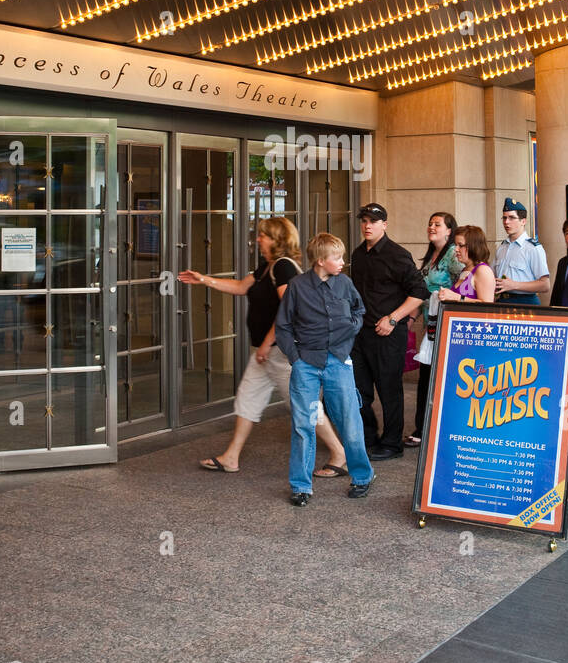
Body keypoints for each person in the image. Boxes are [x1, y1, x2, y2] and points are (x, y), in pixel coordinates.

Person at [179, 216, 347, 475]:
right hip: (266, 353)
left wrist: (267, 344)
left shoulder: (283, 268)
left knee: (305, 404)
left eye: (264, 235)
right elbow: (239, 287)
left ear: (277, 239)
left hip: (281, 354)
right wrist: (203, 279)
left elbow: (288, 310)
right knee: (248, 399)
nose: (258, 239)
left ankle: (339, 453)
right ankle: (231, 457)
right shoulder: (267, 267)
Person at [275, 233, 374, 506]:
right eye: (337, 257)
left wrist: (350, 330)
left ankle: (362, 477)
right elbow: (283, 326)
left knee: (350, 422)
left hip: (339, 362)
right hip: (306, 365)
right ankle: (300, 486)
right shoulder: (296, 287)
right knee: (303, 425)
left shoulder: (345, 284)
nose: (342, 262)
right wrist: (296, 358)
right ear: (320, 260)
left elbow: (359, 309)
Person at [350, 202, 429, 460]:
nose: (367, 225)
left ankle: (392, 443)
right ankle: (369, 436)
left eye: (373, 221)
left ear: (384, 224)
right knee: (359, 389)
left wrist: (393, 319)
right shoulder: (358, 254)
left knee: (389, 390)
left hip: (387, 333)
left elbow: (419, 292)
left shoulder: (398, 255)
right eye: (364, 221)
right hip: (360, 334)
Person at [403, 213, 462, 448]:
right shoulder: (431, 255)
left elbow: (463, 284)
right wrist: (410, 317)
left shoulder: (452, 255)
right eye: (430, 223)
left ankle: (436, 428)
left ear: (449, 231)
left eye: (437, 224)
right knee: (426, 378)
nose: (431, 227)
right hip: (429, 323)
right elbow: (422, 291)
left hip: (446, 325)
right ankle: (423, 426)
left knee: (440, 378)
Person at [493, 198, 550, 304]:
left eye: (512, 218)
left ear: (523, 221)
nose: (506, 222)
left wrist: (514, 285)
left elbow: (545, 285)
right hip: (501, 301)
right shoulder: (502, 247)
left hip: (524, 302)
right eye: (504, 218)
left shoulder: (533, 248)